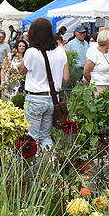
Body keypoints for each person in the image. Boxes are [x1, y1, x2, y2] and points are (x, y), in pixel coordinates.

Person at [19, 18, 69, 149]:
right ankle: (48, 164)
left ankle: (34, 167)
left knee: (32, 137)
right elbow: (66, 77)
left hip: (35, 97)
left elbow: (21, 70)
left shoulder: (31, 52)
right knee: (46, 136)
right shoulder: (60, 51)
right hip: (53, 98)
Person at [84, 30, 109, 94]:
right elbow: (86, 72)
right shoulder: (94, 53)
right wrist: (93, 82)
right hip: (98, 87)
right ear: (106, 41)